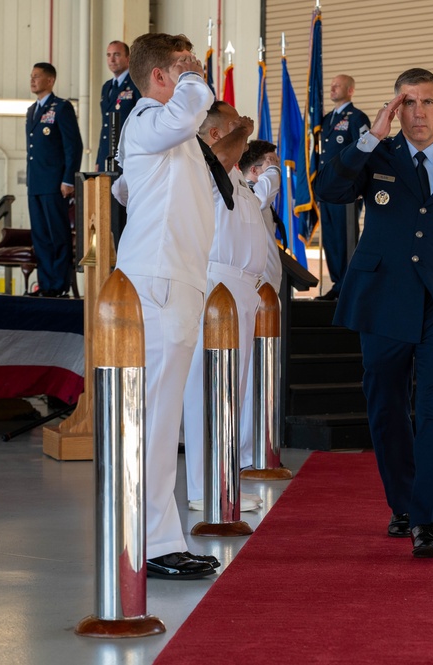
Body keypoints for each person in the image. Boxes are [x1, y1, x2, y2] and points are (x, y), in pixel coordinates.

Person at [315, 68, 433, 558]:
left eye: (428, 102)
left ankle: (428, 520)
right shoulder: (376, 153)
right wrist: (368, 137)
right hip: (383, 299)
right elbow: (330, 191)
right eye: (409, 102)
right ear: (395, 108)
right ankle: (402, 503)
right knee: (387, 406)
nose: (418, 112)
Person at [112, 32, 220, 580]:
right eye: (184, 68)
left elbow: (126, 190)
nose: (195, 75)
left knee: (160, 418)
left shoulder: (159, 132)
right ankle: (152, 542)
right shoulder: (149, 119)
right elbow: (182, 117)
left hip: (173, 282)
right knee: (155, 421)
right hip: (160, 285)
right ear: (161, 78)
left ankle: (155, 534)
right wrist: (193, 76)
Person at [183, 102, 278, 514]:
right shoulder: (204, 166)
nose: (245, 133)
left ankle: (225, 477)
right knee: (208, 389)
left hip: (242, 287)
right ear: (218, 135)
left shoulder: (237, 176)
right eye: (236, 127)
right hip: (216, 287)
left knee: (232, 392)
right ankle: (204, 486)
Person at [26, 62, 82, 298]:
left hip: (54, 184)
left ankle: (59, 285)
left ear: (50, 80)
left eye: (37, 76)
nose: (32, 80)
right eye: (31, 76)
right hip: (36, 183)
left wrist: (68, 179)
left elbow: (73, 145)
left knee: (57, 235)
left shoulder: (61, 107)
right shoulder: (32, 110)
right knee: (40, 236)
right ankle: (45, 285)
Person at [316, 74, 370, 300]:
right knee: (330, 238)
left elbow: (366, 150)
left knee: (346, 238)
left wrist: (360, 186)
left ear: (350, 90)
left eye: (337, 86)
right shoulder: (327, 119)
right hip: (327, 189)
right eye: (331, 86)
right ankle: (338, 283)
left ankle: (348, 286)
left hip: (347, 190)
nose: (332, 89)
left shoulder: (356, 117)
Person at [240, 140, 286, 291]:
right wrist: (273, 170)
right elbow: (263, 196)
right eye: (271, 164)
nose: (277, 168)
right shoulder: (245, 194)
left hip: (266, 283)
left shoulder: (255, 195)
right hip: (253, 284)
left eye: (277, 163)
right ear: (254, 170)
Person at [95, 40, 141, 171]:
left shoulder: (135, 83)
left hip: (128, 155)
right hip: (107, 156)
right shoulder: (107, 87)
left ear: (128, 58)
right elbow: (105, 126)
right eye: (108, 55)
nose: (112, 60)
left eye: (116, 54)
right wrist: (99, 159)